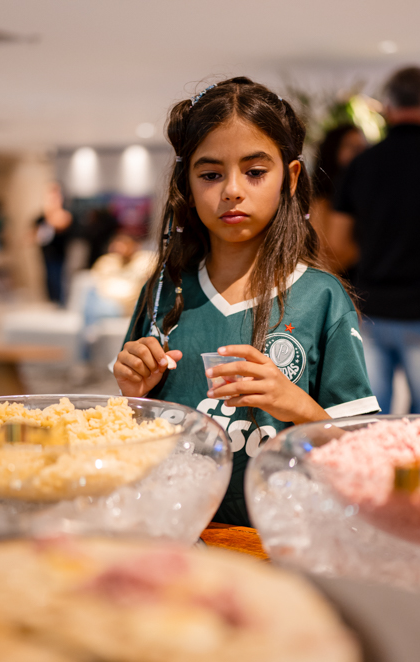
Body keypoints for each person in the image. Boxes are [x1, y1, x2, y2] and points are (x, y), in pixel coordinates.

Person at [114, 77, 379, 526]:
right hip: (177, 530)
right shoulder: (164, 290)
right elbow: (130, 435)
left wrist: (298, 407)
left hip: (283, 534)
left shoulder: (321, 297)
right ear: (187, 183)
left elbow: (360, 455)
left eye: (255, 172)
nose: (232, 190)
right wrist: (132, 395)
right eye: (211, 174)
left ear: (290, 177)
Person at [330, 66, 420, 415]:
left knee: (371, 418)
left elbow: (336, 243)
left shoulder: (362, 164)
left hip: (371, 308)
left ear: (387, 107)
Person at [310, 124, 368, 265]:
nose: (358, 153)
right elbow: (328, 257)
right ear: (333, 150)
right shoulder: (319, 201)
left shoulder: (364, 193)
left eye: (363, 148)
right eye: (351, 147)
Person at [34, 183, 73, 305]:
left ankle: (60, 303)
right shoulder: (42, 217)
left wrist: (51, 211)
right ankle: (51, 302)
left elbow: (59, 224)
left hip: (59, 253)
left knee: (58, 279)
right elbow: (34, 234)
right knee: (48, 279)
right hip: (46, 253)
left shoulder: (64, 214)